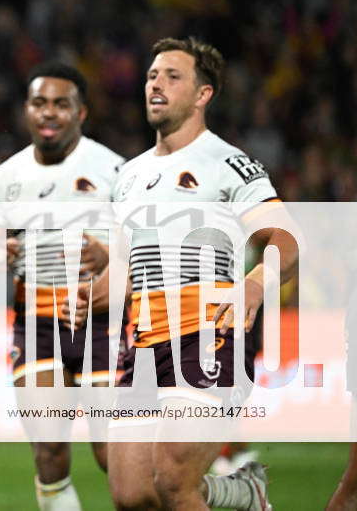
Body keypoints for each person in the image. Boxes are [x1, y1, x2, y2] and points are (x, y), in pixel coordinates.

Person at [70, 37, 297, 510]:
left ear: (202, 95)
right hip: (146, 344)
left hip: (211, 332)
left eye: (173, 76)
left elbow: (287, 241)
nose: (157, 83)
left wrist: (256, 283)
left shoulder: (228, 164)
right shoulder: (128, 177)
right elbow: (127, 272)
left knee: (173, 478)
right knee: (132, 494)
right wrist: (94, 292)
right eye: (153, 75)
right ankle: (242, 492)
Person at [0, 63, 123, 510]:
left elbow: (146, 247)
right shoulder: (6, 178)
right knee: (49, 452)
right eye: (40, 103)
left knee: (113, 455)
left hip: (104, 326)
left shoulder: (113, 169)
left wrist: (111, 255)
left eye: (61, 104)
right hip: (36, 327)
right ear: (27, 111)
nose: (49, 113)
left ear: (82, 113)